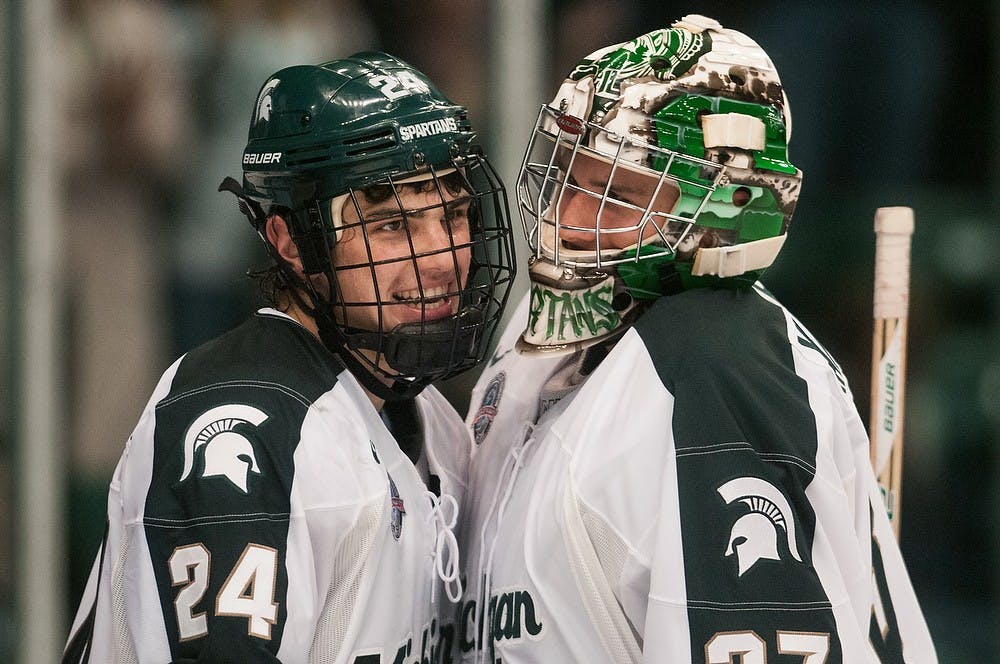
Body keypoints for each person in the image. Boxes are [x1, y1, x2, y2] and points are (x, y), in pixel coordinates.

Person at [459, 15, 937, 663]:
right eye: (571, 177)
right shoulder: (539, 333)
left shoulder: (720, 365)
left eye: (616, 195)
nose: (569, 220)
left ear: (725, 209)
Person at [62, 52, 516, 663]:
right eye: (393, 227)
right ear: (292, 242)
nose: (442, 256)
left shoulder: (427, 415)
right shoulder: (243, 427)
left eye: (453, 214)